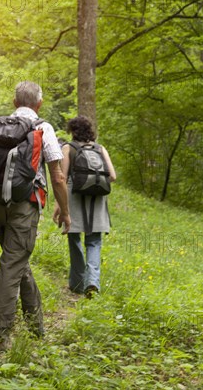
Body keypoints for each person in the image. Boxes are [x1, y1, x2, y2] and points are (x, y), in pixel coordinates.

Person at [0, 81, 71, 351]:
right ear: (38, 104)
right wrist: (66, 213)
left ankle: (35, 324)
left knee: (17, 259)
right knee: (12, 264)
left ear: (15, 103)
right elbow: (58, 176)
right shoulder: (42, 127)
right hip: (25, 204)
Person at [53, 116, 116, 298]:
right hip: (97, 199)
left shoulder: (68, 148)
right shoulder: (100, 148)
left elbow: (62, 179)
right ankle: (92, 282)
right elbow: (112, 176)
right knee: (94, 242)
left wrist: (59, 206)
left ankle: (77, 283)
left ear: (72, 131)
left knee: (74, 240)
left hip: (74, 197)